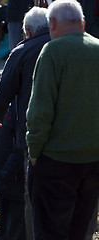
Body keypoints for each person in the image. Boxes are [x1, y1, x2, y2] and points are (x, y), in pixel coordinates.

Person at [26, 0, 99, 239]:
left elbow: (39, 112)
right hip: (93, 160)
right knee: (79, 232)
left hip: (56, 161)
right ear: (83, 23)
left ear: (52, 23)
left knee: (50, 233)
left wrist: (34, 152)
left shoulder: (52, 51)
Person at [0, 6, 51, 240]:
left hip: (31, 136)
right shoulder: (62, 47)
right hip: (69, 138)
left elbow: (3, 94)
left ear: (28, 32)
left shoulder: (23, 50)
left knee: (31, 194)